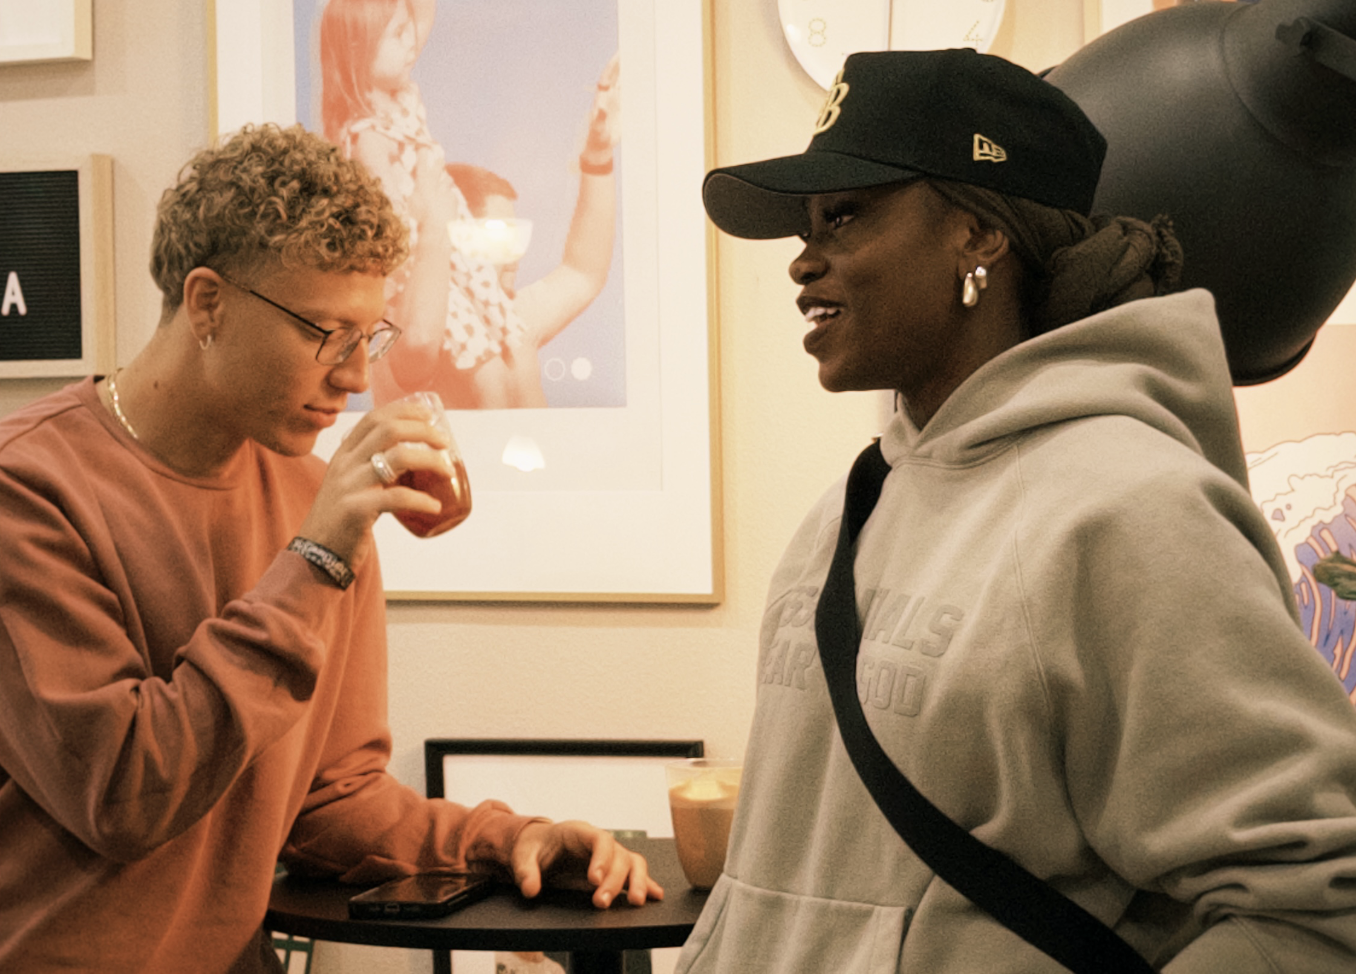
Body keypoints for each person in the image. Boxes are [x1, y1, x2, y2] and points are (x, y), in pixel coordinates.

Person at [678, 49, 1356, 973]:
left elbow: (1316, 906)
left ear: (977, 236)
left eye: (845, 215)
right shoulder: (848, 510)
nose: (803, 261)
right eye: (806, 226)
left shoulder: (1133, 513)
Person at [0, 123, 659, 974]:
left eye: (370, 337)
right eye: (325, 334)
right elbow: (124, 795)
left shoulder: (314, 493)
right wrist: (315, 561)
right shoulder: (28, 487)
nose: (355, 377)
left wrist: (510, 839)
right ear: (207, 303)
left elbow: (331, 801)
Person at [319, 0, 620, 409]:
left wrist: (597, 156)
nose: (514, 258)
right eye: (495, 240)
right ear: (456, 240)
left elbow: (583, 271)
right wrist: (432, 230)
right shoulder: (398, 325)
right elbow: (418, 350)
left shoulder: (510, 325)